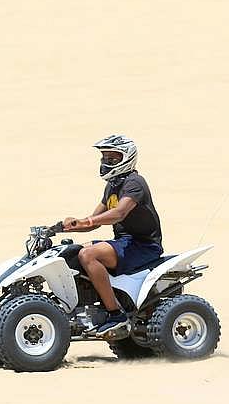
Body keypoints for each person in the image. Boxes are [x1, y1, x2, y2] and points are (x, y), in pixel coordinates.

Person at [63, 135, 163, 338]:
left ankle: (115, 314)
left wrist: (86, 222)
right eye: (104, 158)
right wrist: (67, 227)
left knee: (88, 255)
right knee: (73, 252)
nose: (105, 163)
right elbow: (95, 220)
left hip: (143, 246)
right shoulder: (112, 186)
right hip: (124, 243)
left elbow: (119, 213)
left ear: (127, 158)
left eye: (112, 159)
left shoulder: (135, 183)